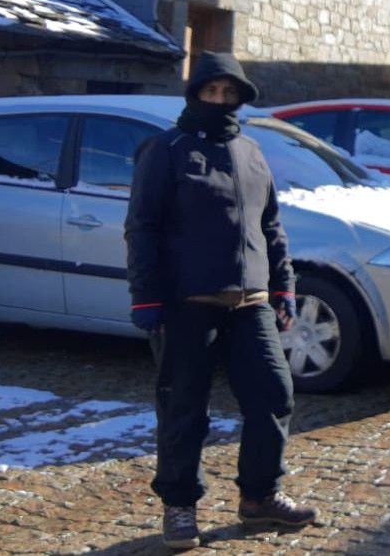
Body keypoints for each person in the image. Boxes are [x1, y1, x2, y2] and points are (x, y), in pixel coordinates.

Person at [125, 52, 318, 549]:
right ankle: (180, 506)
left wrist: (283, 287)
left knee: (274, 395)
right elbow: (142, 226)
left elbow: (270, 226)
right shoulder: (166, 149)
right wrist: (146, 297)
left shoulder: (251, 151)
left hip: (250, 302)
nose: (220, 100)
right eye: (211, 92)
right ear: (195, 95)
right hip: (186, 301)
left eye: (229, 93)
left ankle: (259, 497)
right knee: (185, 407)